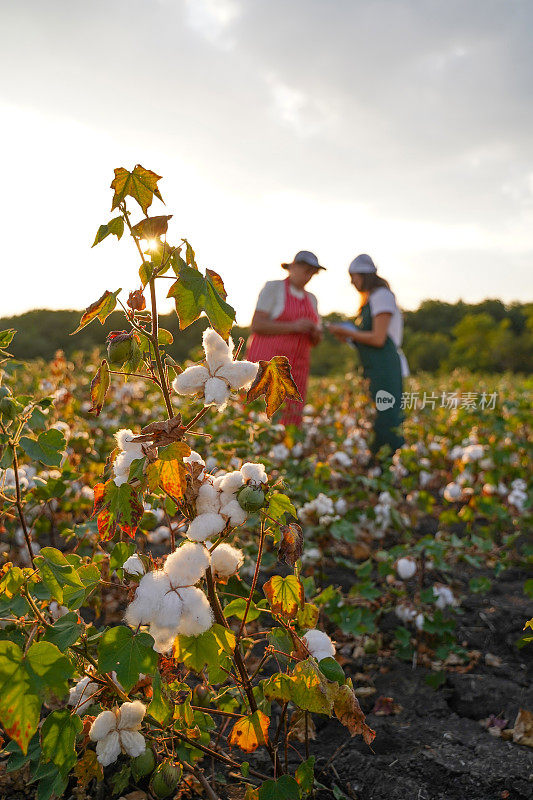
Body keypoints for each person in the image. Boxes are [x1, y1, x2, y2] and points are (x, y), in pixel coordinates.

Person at [328, 254, 408, 455]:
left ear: (365, 275)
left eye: (354, 276)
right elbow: (368, 339)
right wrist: (348, 337)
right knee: (375, 415)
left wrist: (348, 332)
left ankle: (390, 461)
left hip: (385, 367)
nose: (352, 282)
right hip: (374, 366)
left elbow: (379, 338)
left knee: (386, 417)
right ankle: (380, 463)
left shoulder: (382, 296)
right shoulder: (370, 299)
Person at [247, 250, 324, 426]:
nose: (309, 276)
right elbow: (257, 324)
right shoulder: (273, 288)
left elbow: (316, 342)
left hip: (298, 369)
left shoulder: (312, 299)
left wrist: (315, 333)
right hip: (269, 364)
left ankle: (289, 451)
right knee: (261, 415)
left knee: (292, 417)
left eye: (312, 272)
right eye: (306, 270)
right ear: (293, 267)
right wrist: (294, 326)